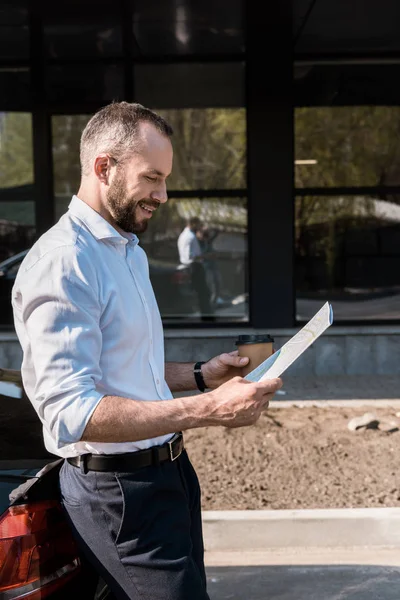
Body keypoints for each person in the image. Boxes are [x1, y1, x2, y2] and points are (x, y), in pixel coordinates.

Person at [12, 102, 282, 600]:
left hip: (168, 475)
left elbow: (123, 369)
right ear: (103, 167)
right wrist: (208, 410)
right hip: (119, 497)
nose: (163, 194)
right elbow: (73, 410)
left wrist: (204, 375)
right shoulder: (64, 261)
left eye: (166, 179)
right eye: (152, 178)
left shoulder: (124, 247)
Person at [177, 217, 213, 318]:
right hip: (194, 267)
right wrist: (205, 256)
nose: (198, 227)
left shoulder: (185, 235)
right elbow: (190, 256)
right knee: (204, 293)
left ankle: (206, 315)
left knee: (203, 293)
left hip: (191, 266)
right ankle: (207, 317)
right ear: (193, 224)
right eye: (197, 224)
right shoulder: (189, 236)